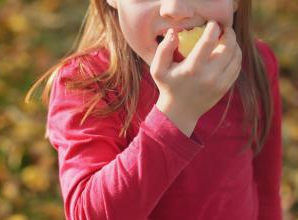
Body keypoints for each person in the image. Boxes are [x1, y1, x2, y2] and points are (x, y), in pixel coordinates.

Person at [25, 0, 283, 219]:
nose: (176, 9)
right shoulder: (88, 85)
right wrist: (176, 114)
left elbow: (266, 189)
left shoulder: (256, 65)